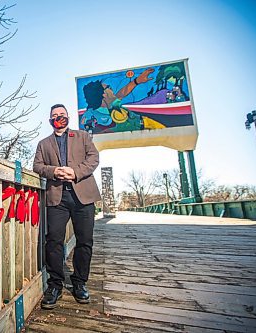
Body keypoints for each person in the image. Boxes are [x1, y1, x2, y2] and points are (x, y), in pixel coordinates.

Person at [33, 104, 101, 309]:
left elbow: (94, 158)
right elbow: (37, 166)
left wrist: (75, 172)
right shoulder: (43, 143)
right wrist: (54, 171)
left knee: (85, 241)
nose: (58, 118)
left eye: (61, 115)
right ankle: (55, 285)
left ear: (68, 117)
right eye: (54, 116)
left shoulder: (83, 137)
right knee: (53, 240)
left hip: (83, 195)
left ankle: (80, 283)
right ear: (50, 120)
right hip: (57, 198)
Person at [80, 68, 165, 132]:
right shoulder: (93, 113)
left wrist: (137, 81)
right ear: (104, 94)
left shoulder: (112, 103)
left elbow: (122, 93)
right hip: (141, 130)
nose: (111, 88)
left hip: (147, 124)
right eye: (108, 87)